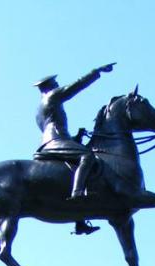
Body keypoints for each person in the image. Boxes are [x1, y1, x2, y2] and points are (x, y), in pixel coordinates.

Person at [34, 64, 114, 234]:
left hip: (57, 140)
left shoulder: (40, 107)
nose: (57, 85)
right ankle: (77, 195)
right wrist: (95, 72)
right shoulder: (52, 97)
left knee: (78, 164)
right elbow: (74, 88)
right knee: (88, 157)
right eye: (55, 83)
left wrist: (75, 138)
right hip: (54, 142)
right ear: (49, 86)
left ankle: (80, 222)